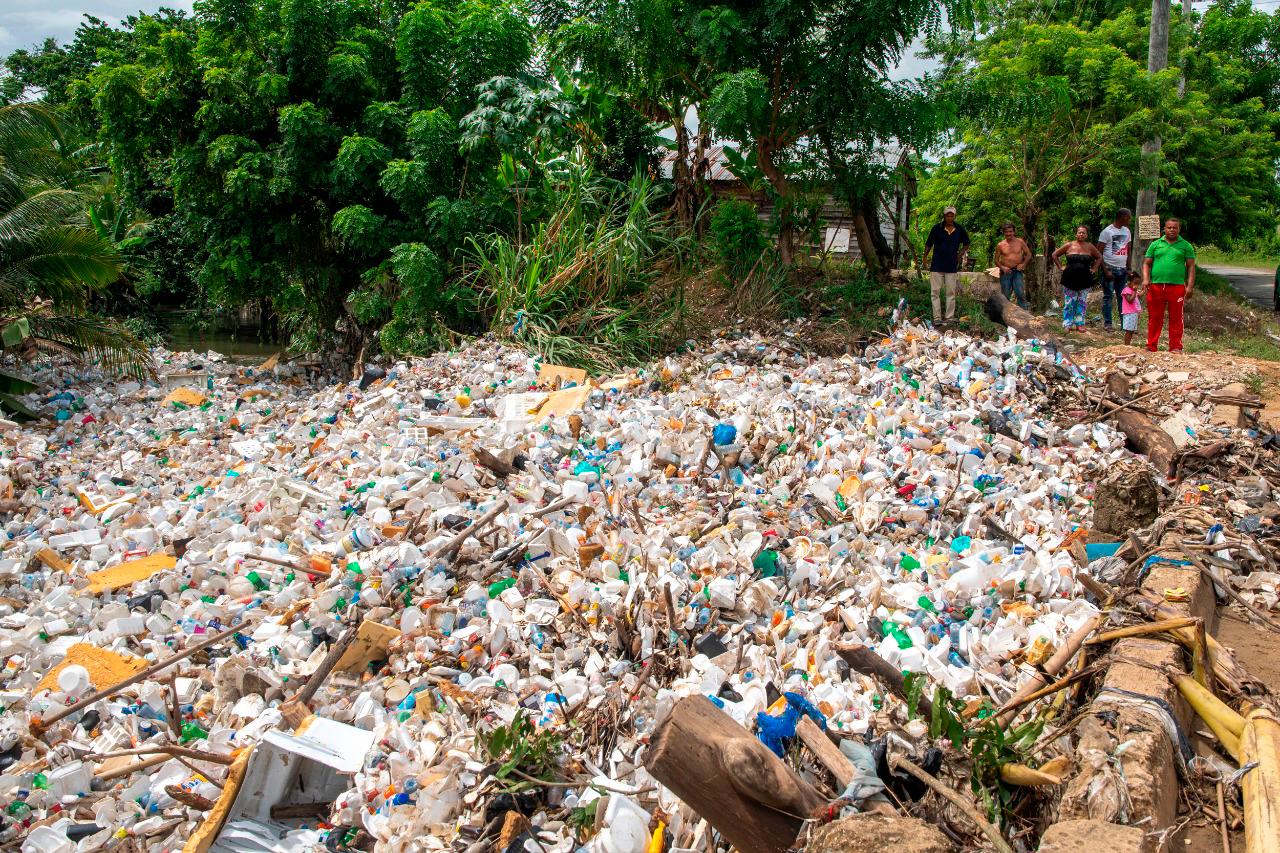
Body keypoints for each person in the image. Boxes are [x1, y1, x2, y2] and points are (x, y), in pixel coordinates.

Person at [1142, 217, 1196, 352]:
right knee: (1154, 317)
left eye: (1175, 228)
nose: (1172, 230)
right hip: (1156, 286)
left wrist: (1189, 286)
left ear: (1179, 229)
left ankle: (1175, 346)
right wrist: (1145, 279)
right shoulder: (1155, 244)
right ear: (1164, 229)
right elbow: (1147, 264)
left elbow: (1191, 267)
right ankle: (1151, 345)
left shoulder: (1186, 246)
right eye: (1169, 227)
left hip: (1177, 287)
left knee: (1176, 317)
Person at [923, 206, 970, 325]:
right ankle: (937, 317)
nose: (949, 217)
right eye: (947, 215)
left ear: (954, 216)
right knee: (935, 292)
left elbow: (966, 243)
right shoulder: (936, 228)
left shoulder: (959, 229)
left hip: (951, 265)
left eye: (952, 215)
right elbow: (929, 244)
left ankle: (949, 317)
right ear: (944, 216)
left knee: (951, 292)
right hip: (937, 264)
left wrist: (959, 255)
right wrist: (924, 258)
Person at [1052, 225, 1102, 330]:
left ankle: (1079, 323)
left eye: (1084, 233)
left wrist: (1094, 269)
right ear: (1076, 234)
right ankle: (1068, 323)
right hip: (1069, 278)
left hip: (1085, 279)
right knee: (1069, 302)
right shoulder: (1069, 245)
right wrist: (1061, 267)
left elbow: (1099, 257)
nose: (1081, 234)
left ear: (1086, 235)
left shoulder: (1090, 246)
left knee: (1082, 302)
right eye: (1079, 232)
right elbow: (1055, 255)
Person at [1095, 208, 1132, 331]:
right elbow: (1098, 252)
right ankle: (1108, 323)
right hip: (1110, 268)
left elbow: (1128, 250)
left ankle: (1124, 324)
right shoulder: (1107, 231)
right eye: (1128, 217)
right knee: (1108, 296)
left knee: (1123, 297)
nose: (1129, 219)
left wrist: (1129, 268)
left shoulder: (1127, 231)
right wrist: (1105, 270)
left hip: (1122, 270)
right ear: (1122, 217)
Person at [994, 222, 1031, 309]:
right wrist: (1002, 267)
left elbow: (1028, 254)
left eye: (1010, 231)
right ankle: (1004, 315)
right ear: (1003, 233)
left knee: (1020, 293)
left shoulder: (1020, 242)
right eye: (1006, 232)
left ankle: (1024, 313)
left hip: (1017, 271)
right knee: (1005, 295)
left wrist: (1023, 264)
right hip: (1006, 272)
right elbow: (996, 260)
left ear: (1014, 232)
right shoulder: (1000, 245)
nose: (1008, 234)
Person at [1120, 278, 1141, 346]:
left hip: (1134, 312)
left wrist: (1144, 289)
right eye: (1135, 283)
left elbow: (1139, 296)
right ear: (1129, 282)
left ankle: (1128, 344)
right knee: (1128, 331)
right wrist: (1134, 291)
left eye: (1138, 284)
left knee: (1131, 330)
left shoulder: (1133, 290)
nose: (1136, 286)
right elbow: (1130, 300)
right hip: (1129, 313)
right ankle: (1126, 345)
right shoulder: (1126, 290)